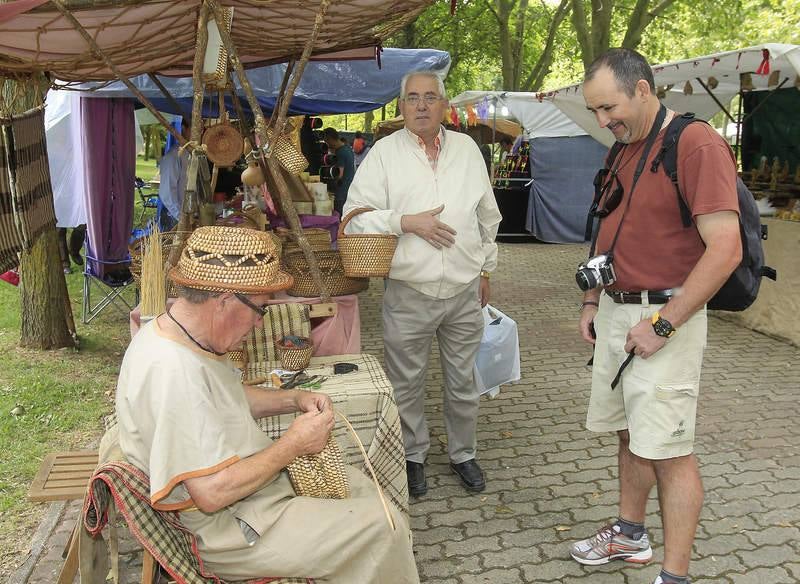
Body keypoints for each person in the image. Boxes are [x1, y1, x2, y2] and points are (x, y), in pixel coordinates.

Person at [115, 226, 419, 583]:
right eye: (259, 308)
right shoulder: (173, 371)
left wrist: (292, 398)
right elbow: (211, 493)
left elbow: (227, 395)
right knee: (385, 528)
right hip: (227, 530)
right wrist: (294, 445)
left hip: (246, 501)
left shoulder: (172, 330)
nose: (260, 320)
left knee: (361, 487)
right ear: (225, 300)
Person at [571, 48, 741, 584]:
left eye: (608, 107)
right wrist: (593, 301)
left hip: (667, 318)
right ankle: (629, 534)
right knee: (630, 433)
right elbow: (608, 227)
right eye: (594, 111)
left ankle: (675, 575)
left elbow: (726, 249)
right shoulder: (622, 147)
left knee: (669, 450)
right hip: (619, 315)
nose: (602, 121)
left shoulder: (695, 144)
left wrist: (664, 324)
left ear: (643, 89)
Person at [342, 71, 502, 497]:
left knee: (463, 380)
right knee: (405, 381)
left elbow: (489, 216)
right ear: (401, 106)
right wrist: (405, 222)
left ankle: (463, 454)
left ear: (445, 105)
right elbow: (354, 218)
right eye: (412, 98)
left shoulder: (467, 149)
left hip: (465, 289)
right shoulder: (384, 154)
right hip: (409, 291)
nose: (422, 105)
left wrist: (486, 269)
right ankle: (413, 456)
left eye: (431, 97)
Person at [158, 117, 191, 231]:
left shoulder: (193, 155)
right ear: (184, 129)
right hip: (173, 217)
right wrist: (181, 218)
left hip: (187, 216)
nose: (201, 131)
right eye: (196, 126)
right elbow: (166, 193)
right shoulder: (173, 157)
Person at [323, 127, 355, 217]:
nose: (327, 144)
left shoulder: (340, 152)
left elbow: (339, 174)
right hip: (349, 188)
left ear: (331, 139)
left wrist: (329, 185)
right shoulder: (347, 148)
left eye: (326, 141)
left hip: (341, 191)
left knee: (339, 216)